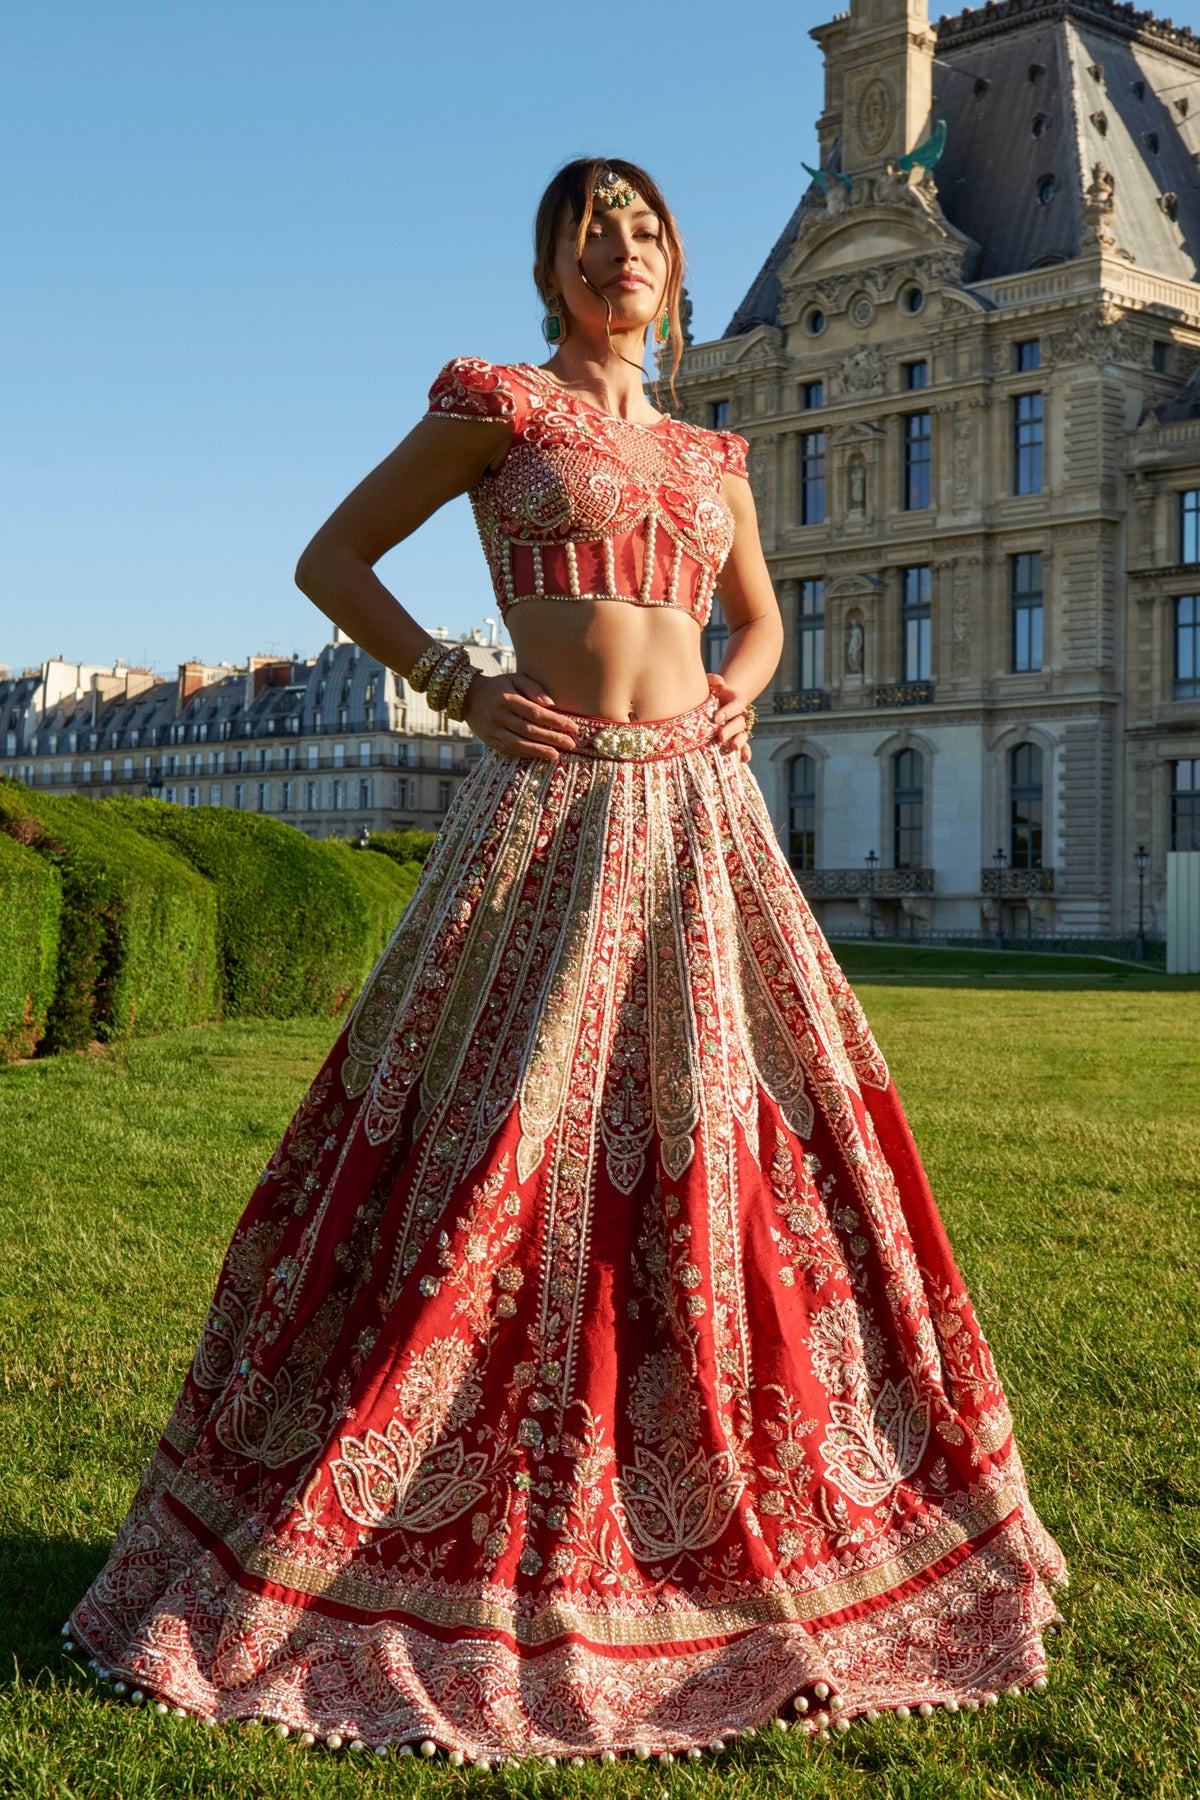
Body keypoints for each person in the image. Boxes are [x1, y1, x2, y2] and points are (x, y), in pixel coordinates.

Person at [66, 156, 1066, 1766]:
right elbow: (335, 560)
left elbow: (759, 618)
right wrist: (460, 688)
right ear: (550, 261)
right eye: (594, 228)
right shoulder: (501, 405)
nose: (625, 249)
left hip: (698, 817)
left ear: (678, 265)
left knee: (730, 1151)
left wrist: (741, 692)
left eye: (649, 227)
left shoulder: (710, 448)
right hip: (545, 804)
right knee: (490, 1142)